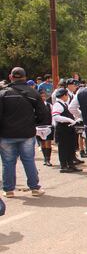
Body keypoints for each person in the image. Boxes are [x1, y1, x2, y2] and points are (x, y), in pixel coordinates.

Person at [0, 67, 47, 197]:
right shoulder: (33, 93)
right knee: (28, 160)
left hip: (6, 133)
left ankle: (9, 190)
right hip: (27, 133)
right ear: (25, 77)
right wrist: (33, 122)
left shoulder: (3, 93)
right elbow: (43, 113)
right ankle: (34, 188)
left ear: (11, 77)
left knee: (8, 162)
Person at [51, 88, 81, 173]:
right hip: (62, 129)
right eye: (67, 95)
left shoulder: (64, 104)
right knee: (63, 148)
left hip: (68, 129)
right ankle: (64, 166)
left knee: (70, 148)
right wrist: (69, 120)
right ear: (64, 96)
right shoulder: (58, 105)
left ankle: (71, 164)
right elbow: (56, 117)